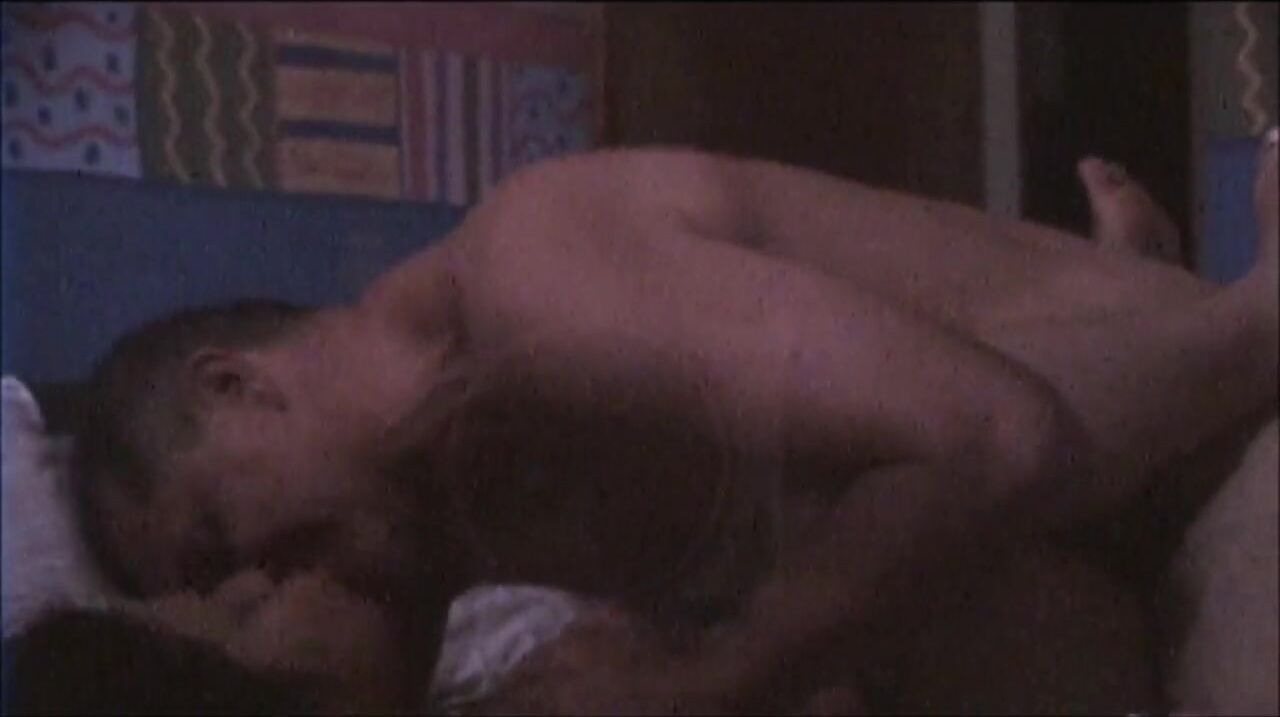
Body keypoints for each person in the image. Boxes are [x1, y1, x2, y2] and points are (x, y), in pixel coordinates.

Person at [71, 125, 1278, 712]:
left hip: (1200, 458)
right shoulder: (436, 511)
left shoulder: (533, 285)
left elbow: (1002, 439)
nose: (266, 580)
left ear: (235, 385)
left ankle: (1235, 305)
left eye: (220, 539)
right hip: (1101, 576)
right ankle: (1127, 273)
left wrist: (711, 684)